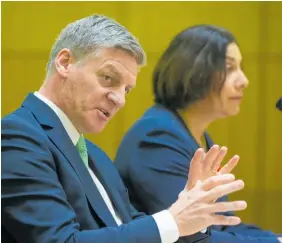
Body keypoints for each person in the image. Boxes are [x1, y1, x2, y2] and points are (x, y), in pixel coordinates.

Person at [1, 15, 248, 243]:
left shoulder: (94, 154)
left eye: (127, 90)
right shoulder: (17, 136)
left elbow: (132, 226)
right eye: (108, 78)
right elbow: (62, 241)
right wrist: (173, 220)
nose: (119, 99)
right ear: (65, 63)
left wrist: (193, 218)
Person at [114, 25, 282, 243]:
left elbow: (221, 224)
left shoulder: (194, 135)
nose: (244, 81)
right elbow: (190, 237)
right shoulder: (157, 137)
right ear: (195, 72)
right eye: (230, 68)